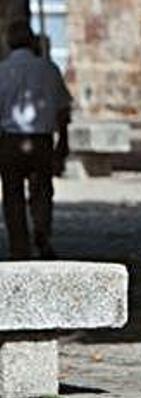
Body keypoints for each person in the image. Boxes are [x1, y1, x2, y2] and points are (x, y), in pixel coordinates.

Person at [0, 21, 71, 259]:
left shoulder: (2, 71)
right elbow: (63, 109)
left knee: (13, 195)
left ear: (9, 42)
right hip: (41, 139)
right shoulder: (49, 69)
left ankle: (19, 246)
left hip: (10, 140)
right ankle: (41, 229)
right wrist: (63, 141)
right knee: (42, 189)